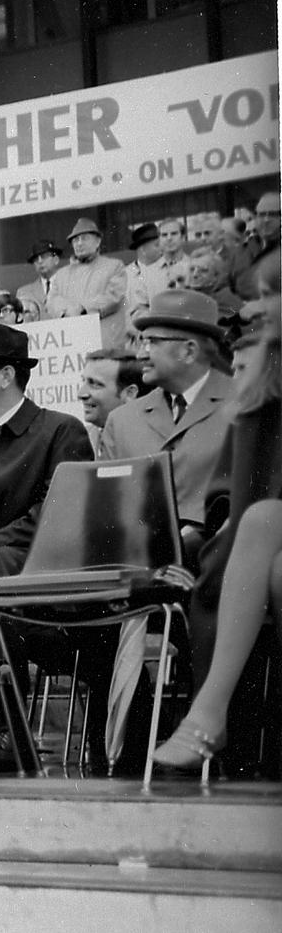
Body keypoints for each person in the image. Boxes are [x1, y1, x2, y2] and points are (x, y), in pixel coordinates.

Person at [0, 324, 95, 773]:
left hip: (36, 569)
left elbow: (58, 514)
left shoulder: (59, 430)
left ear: (6, 375)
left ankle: (13, 730)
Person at [154, 309, 281, 771]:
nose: (236, 379)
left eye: (247, 368)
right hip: (258, 549)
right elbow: (228, 497)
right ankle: (213, 720)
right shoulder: (255, 418)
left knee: (263, 523)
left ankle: (208, 716)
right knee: (262, 533)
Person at [101, 289, 233, 550]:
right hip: (139, 571)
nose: (140, 354)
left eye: (151, 342)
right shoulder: (122, 421)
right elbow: (105, 509)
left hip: (221, 566)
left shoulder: (248, 407)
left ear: (189, 351)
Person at [47, 218, 128, 348]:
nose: (79, 243)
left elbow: (114, 296)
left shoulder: (114, 266)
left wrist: (84, 308)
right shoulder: (61, 275)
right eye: (75, 240)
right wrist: (66, 311)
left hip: (105, 344)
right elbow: (51, 301)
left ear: (98, 241)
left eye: (84, 238)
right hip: (73, 345)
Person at [78, 348, 145, 434]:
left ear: (130, 393)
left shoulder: (149, 440)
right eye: (84, 381)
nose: (81, 394)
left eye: (94, 384)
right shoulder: (85, 438)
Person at [124, 223, 166, 333]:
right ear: (142, 249)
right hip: (134, 334)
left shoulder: (167, 269)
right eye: (157, 245)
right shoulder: (125, 274)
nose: (162, 248)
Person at [17, 240, 62, 313]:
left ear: (56, 260)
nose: (40, 261)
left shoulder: (69, 286)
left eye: (44, 256)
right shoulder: (24, 292)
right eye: (36, 259)